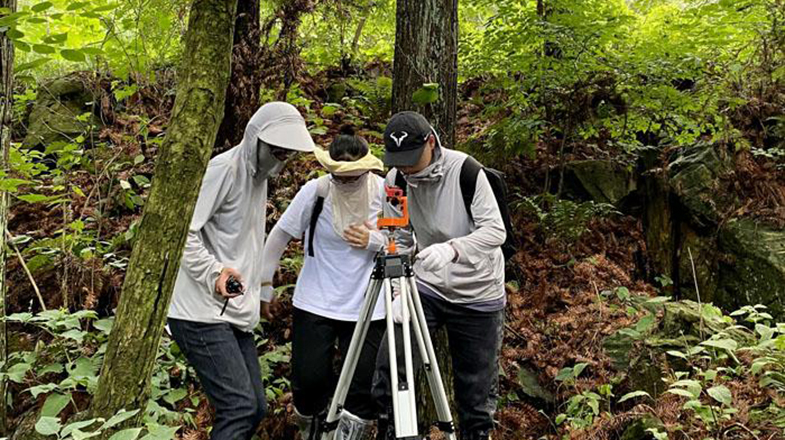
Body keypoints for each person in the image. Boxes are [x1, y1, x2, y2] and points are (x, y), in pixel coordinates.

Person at [167, 102, 315, 440]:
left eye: (288, 153)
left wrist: (261, 291)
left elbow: (245, 243)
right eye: (277, 150)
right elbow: (184, 232)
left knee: (256, 407)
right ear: (256, 140)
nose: (282, 159)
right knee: (239, 407)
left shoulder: (258, 177)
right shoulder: (224, 170)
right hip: (200, 312)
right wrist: (213, 272)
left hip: (234, 310)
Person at [373, 111, 507, 440]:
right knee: (393, 363)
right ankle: (395, 431)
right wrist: (397, 289)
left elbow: (495, 231)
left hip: (478, 292)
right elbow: (399, 236)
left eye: (410, 158)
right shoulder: (396, 181)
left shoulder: (467, 171)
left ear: (431, 143)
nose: (404, 166)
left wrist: (452, 249)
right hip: (428, 285)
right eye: (397, 159)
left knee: (475, 392)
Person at [259, 126, 388, 440]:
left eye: (352, 176)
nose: (344, 182)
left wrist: (375, 240)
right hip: (316, 300)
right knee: (308, 380)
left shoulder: (387, 191)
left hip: (369, 305)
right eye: (338, 176)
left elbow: (408, 241)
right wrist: (264, 285)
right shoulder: (316, 192)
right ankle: (312, 430)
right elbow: (279, 236)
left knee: (361, 387)